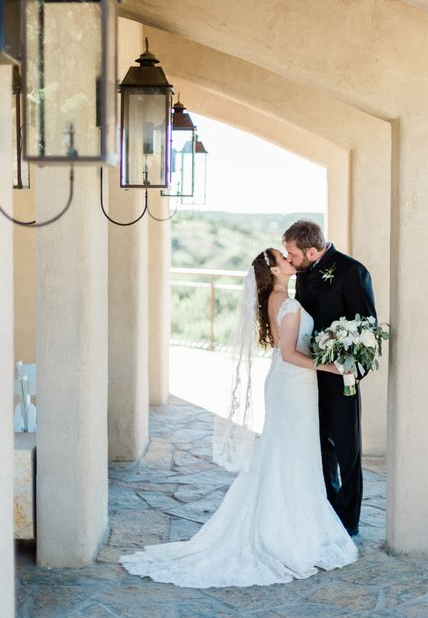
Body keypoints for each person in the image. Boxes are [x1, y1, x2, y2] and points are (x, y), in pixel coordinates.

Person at [120, 248, 357, 587]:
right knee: (290, 452)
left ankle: (295, 519)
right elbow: (290, 354)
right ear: (274, 271)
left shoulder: (280, 299)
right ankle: (287, 529)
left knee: (291, 452)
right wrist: (331, 366)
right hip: (292, 386)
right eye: (283, 258)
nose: (291, 260)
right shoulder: (286, 305)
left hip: (293, 386)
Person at [283, 220, 377, 537]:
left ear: (312, 250)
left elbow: (368, 328)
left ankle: (348, 522)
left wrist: (352, 370)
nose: (290, 259)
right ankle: (327, 511)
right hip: (309, 376)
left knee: (348, 450)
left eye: (293, 253)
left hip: (341, 376)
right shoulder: (302, 273)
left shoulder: (353, 272)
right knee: (319, 446)